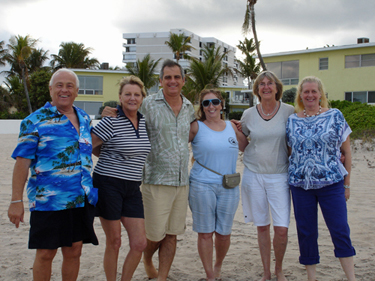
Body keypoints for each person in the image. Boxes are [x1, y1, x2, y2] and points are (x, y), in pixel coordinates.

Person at [102, 59, 195, 281]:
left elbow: (193, 132)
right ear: (160, 81)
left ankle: (162, 277)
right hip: (155, 179)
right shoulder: (148, 103)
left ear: (183, 80)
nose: (172, 81)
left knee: (172, 235)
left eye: (176, 77)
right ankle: (147, 260)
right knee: (152, 236)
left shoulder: (190, 107)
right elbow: (127, 111)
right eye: (167, 77)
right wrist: (109, 111)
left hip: (182, 182)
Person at [7, 68, 98, 281]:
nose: (64, 90)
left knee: (74, 250)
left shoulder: (84, 118)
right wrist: (16, 200)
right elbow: (22, 163)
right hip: (48, 200)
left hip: (81, 197)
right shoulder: (33, 121)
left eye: (69, 86)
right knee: (46, 253)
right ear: (50, 90)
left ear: (76, 91)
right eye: (59, 85)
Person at [286, 76, 356, 281]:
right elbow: (292, 152)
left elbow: (347, 152)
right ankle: (311, 277)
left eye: (313, 91)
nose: (309, 95)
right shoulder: (292, 120)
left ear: (320, 94)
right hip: (300, 186)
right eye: (305, 91)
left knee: (340, 229)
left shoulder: (335, 116)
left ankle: (351, 277)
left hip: (331, 184)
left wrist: (347, 184)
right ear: (300, 94)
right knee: (306, 232)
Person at [91, 76, 151, 281]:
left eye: (136, 94)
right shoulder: (111, 120)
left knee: (139, 243)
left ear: (142, 98)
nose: (132, 98)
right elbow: (87, 146)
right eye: (128, 94)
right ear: (120, 97)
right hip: (108, 184)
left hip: (133, 187)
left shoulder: (144, 122)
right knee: (114, 241)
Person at [239, 71, 295, 281]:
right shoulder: (249, 114)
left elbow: (297, 141)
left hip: (280, 175)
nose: (266, 87)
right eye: (261, 84)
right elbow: (244, 144)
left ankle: (279, 270)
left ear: (277, 87)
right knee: (262, 226)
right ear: (257, 89)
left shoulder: (289, 111)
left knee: (281, 229)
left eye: (270, 83)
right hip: (254, 175)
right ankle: (266, 272)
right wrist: (235, 130)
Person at [188, 89, 248, 281]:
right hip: (201, 184)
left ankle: (218, 266)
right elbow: (175, 143)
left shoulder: (232, 126)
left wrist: (242, 127)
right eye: (206, 103)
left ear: (222, 104)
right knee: (205, 232)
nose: (211, 106)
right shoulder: (196, 127)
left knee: (223, 232)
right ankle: (210, 275)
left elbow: (246, 147)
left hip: (229, 185)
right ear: (202, 107)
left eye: (215, 102)